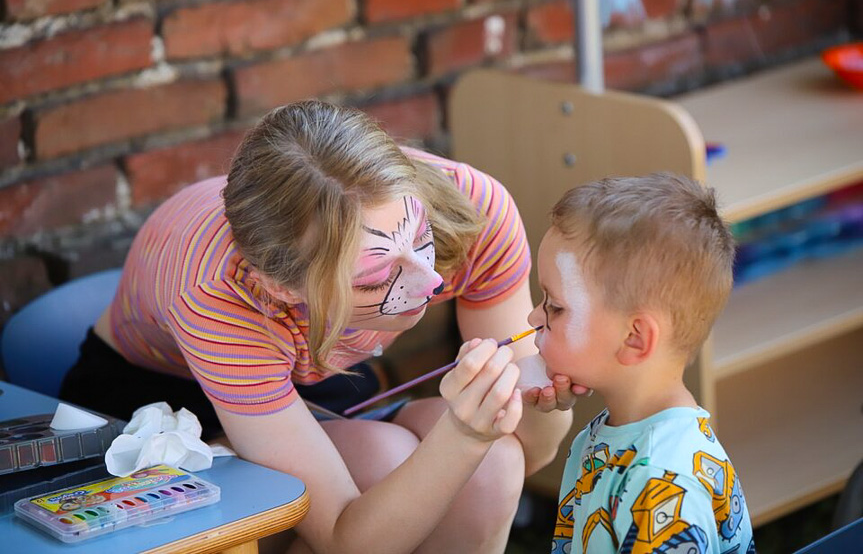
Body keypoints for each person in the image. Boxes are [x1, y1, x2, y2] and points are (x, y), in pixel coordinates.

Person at [60, 100, 586, 553]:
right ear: (285, 290)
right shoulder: (214, 289)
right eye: (377, 275)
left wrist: (537, 406)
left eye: (420, 234)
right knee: (387, 463)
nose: (428, 280)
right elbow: (343, 537)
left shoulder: (473, 207)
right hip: (164, 398)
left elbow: (528, 450)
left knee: (492, 464)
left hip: (320, 377)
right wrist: (464, 434)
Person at [526, 173, 755, 553]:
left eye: (555, 306)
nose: (535, 318)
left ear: (634, 338)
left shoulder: (662, 484)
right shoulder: (608, 433)